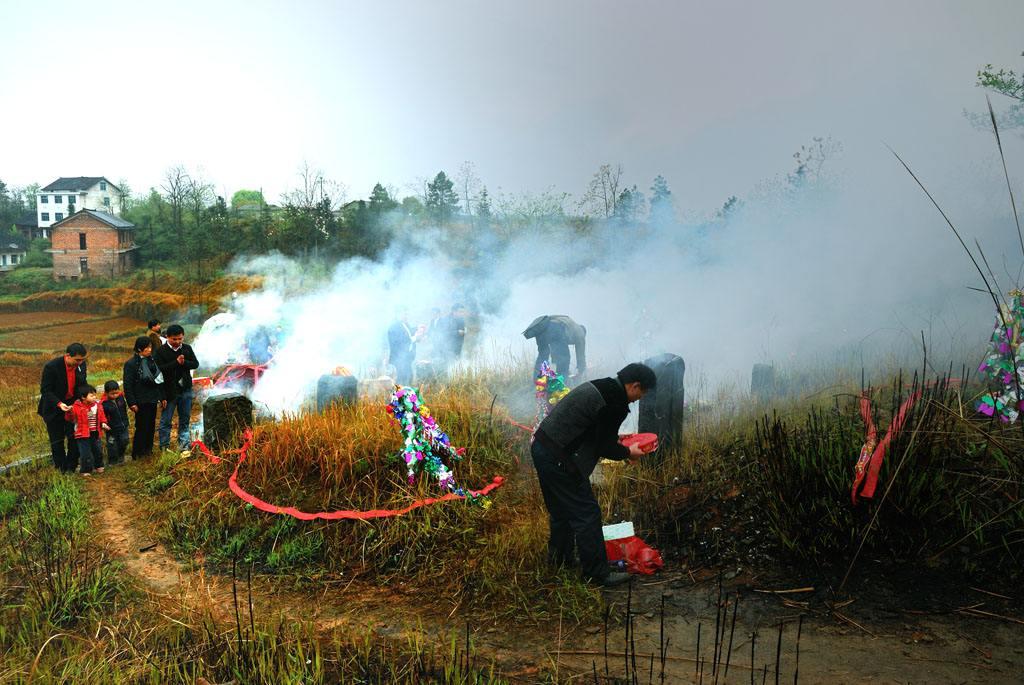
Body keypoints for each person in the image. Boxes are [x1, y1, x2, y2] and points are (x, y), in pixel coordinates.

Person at [531, 362, 658, 587]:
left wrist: (619, 442)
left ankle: (560, 559)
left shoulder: (603, 387)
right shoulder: (615, 403)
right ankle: (597, 573)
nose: (640, 398)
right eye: (642, 392)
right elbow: (603, 446)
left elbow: (596, 431)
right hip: (559, 458)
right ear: (635, 385)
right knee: (587, 513)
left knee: (561, 509)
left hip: (542, 447)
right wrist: (629, 452)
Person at [37, 342, 89, 473]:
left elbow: (82, 384)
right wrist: (60, 404)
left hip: (72, 407)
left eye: (82, 360)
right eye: (77, 360)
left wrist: (86, 398)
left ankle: (71, 466)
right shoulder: (52, 367)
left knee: (74, 437)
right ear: (67, 356)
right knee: (57, 440)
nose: (80, 362)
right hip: (54, 408)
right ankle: (61, 469)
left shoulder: (81, 365)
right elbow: (46, 391)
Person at [154, 324, 200, 451]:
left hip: (185, 389)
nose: (177, 342)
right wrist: (176, 363)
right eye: (174, 339)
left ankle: (183, 445)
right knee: (166, 420)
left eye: (180, 339)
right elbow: (159, 369)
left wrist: (184, 362)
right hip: (169, 391)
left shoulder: (187, 348)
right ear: (167, 337)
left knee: (185, 418)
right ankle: (164, 446)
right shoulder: (160, 351)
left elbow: (195, 364)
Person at [123, 336, 166, 459]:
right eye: (146, 347)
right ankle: (138, 452)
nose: (149, 349)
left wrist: (162, 397)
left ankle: (148, 450)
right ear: (139, 349)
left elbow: (159, 380)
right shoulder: (131, 364)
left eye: (150, 347)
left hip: (152, 398)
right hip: (139, 400)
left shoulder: (152, 361)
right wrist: (131, 402)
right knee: (141, 426)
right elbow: (128, 384)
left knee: (151, 425)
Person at [65, 384, 110, 476]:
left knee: (98, 450)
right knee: (85, 454)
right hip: (82, 434)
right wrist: (69, 411)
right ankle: (85, 470)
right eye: (91, 395)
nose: (94, 397)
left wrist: (104, 423)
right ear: (83, 397)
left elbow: (101, 416)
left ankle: (99, 465)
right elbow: (70, 418)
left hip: (95, 432)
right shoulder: (77, 407)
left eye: (94, 395)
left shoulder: (97, 405)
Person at [387, 313, 423, 385]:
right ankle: (399, 396)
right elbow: (401, 341)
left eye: (407, 314)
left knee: (408, 379)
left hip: (406, 359)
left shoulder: (404, 324)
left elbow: (409, 333)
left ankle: (406, 395)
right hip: (399, 359)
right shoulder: (394, 327)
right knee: (401, 381)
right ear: (398, 314)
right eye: (404, 314)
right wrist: (415, 338)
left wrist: (417, 329)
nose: (406, 316)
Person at [101, 380, 130, 465]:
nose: (114, 395)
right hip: (111, 428)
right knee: (112, 444)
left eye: (116, 393)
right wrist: (104, 424)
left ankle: (121, 455)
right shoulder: (104, 403)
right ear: (106, 393)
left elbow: (124, 409)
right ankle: (112, 461)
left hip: (123, 425)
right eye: (112, 394)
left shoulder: (120, 397)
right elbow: (102, 415)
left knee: (124, 440)